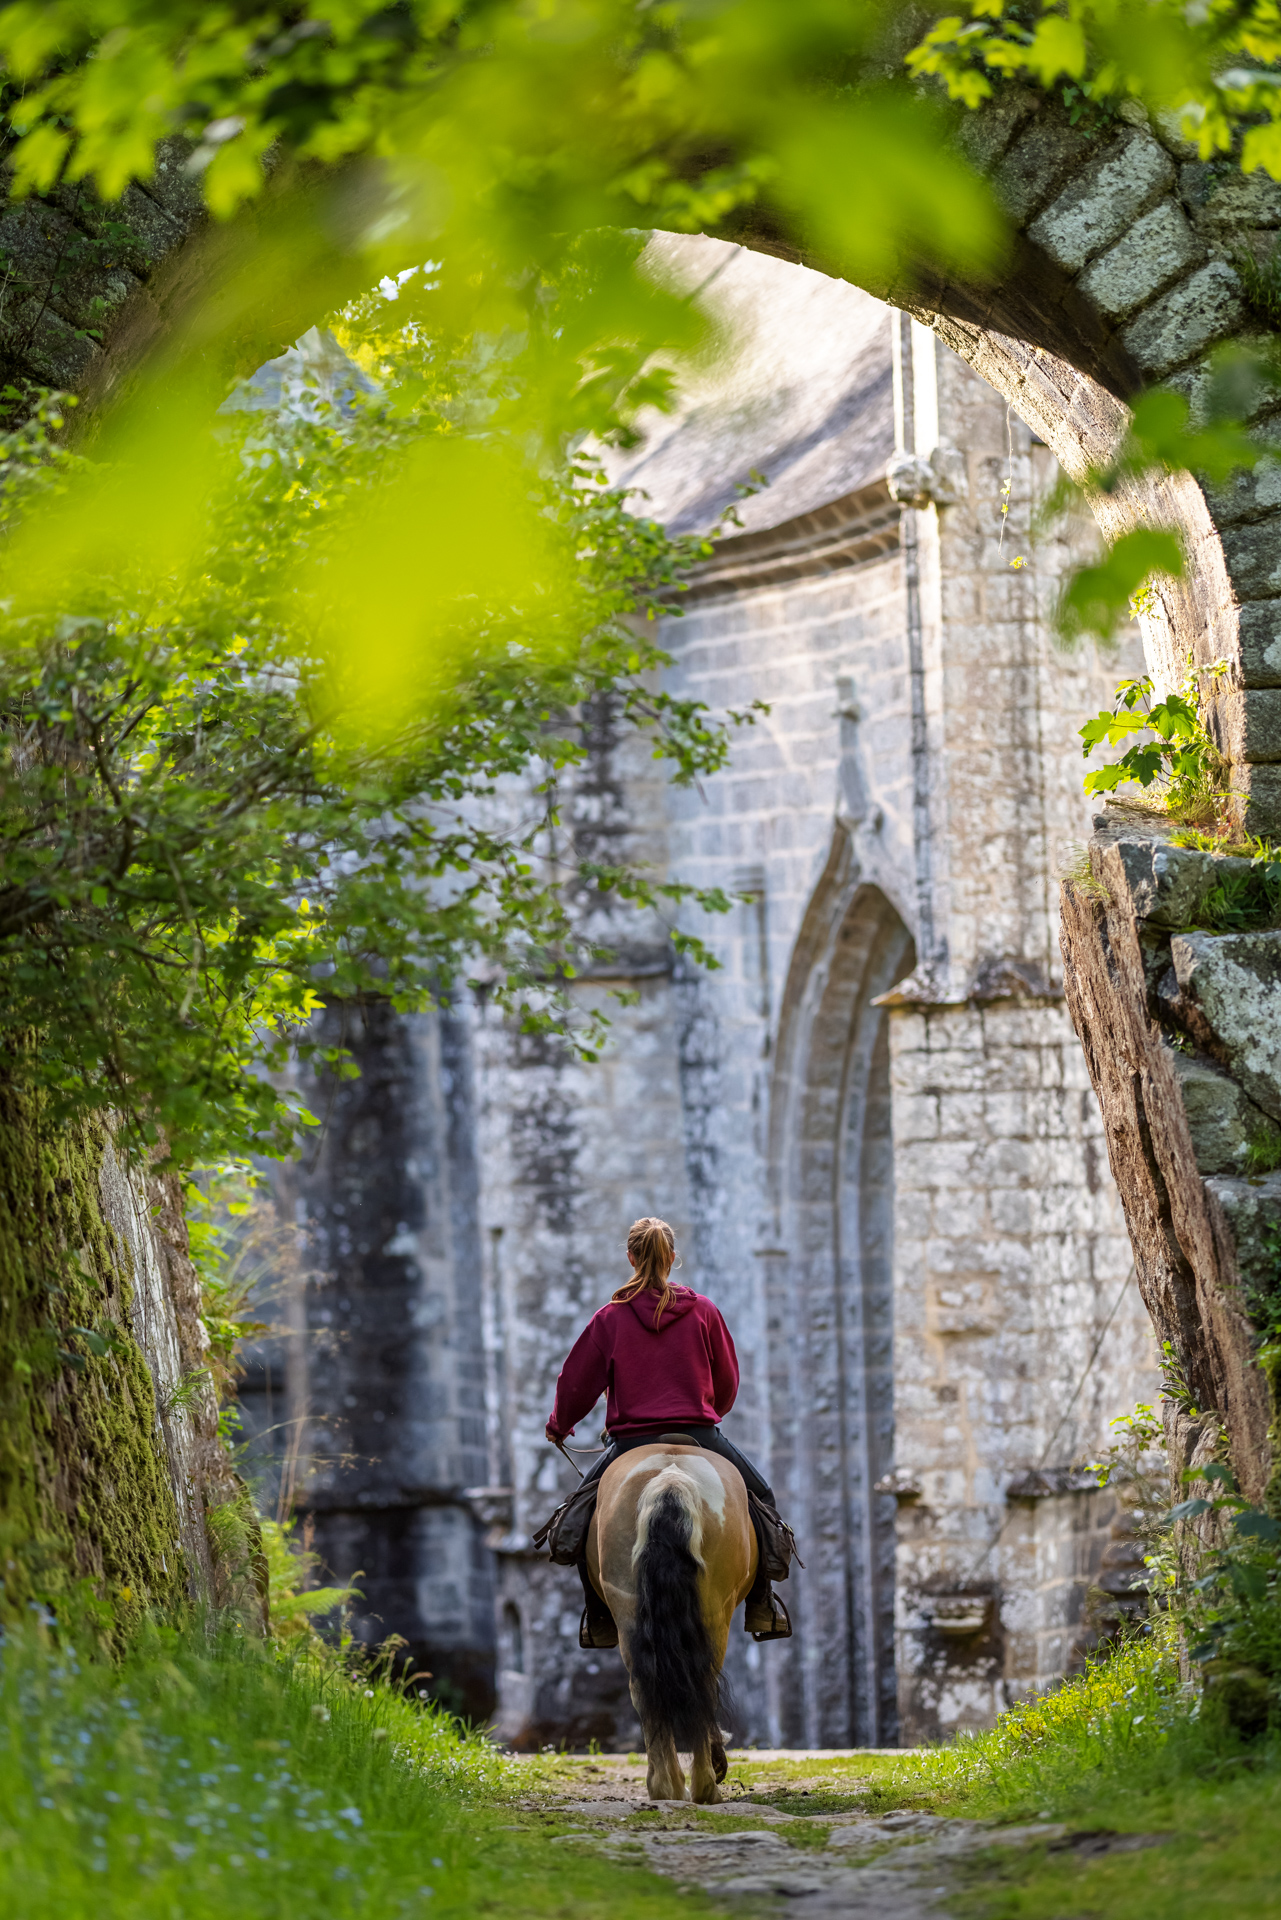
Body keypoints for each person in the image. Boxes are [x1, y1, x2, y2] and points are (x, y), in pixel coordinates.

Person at [541, 1215, 797, 1650]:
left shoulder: (609, 1319)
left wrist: (559, 1426)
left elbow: (577, 1381)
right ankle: (762, 1604)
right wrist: (704, 1412)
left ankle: (598, 1615)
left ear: (631, 1257)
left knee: (579, 1520)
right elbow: (728, 1381)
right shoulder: (705, 1312)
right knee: (762, 1501)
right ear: (673, 1258)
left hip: (629, 1443)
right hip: (700, 1433)